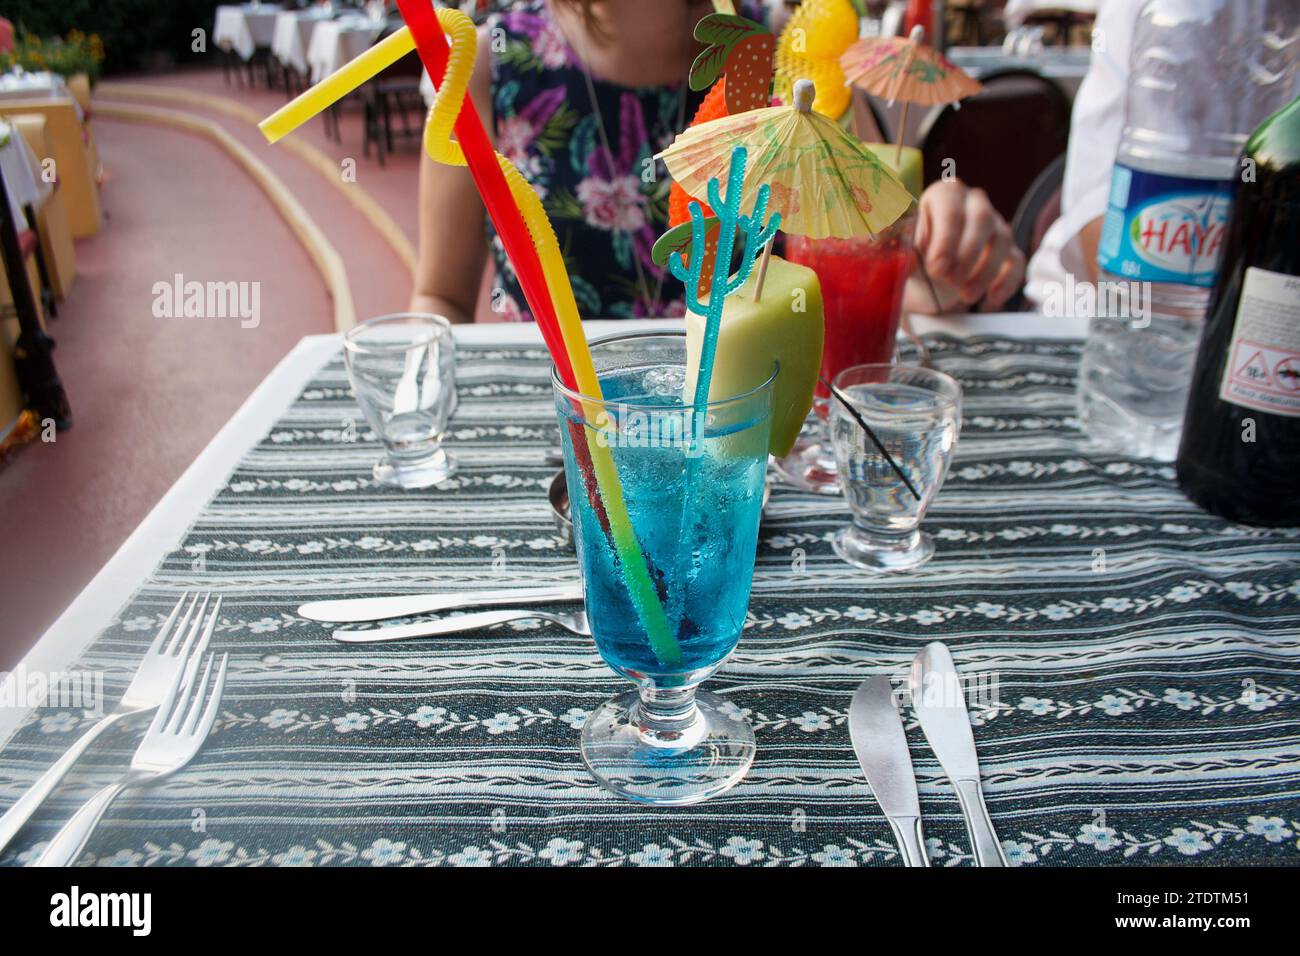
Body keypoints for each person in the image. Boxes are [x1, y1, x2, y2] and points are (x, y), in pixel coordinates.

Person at [411, 0, 1025, 323]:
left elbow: (864, 273)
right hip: (568, 450)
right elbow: (440, 297)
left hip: (752, 458)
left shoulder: (793, 53)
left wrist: (940, 264)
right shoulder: (484, 67)